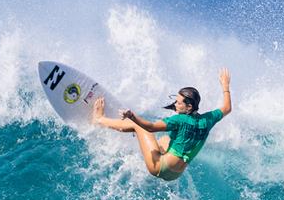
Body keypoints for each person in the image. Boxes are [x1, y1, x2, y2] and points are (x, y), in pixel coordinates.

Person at [91, 68, 231, 181]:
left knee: (140, 127)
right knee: (165, 140)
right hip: (175, 175)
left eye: (178, 102)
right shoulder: (207, 120)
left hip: (158, 167)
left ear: (188, 107)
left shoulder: (180, 120)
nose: (175, 104)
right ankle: (143, 142)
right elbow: (227, 108)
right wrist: (225, 86)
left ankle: (100, 120)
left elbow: (150, 127)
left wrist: (131, 116)